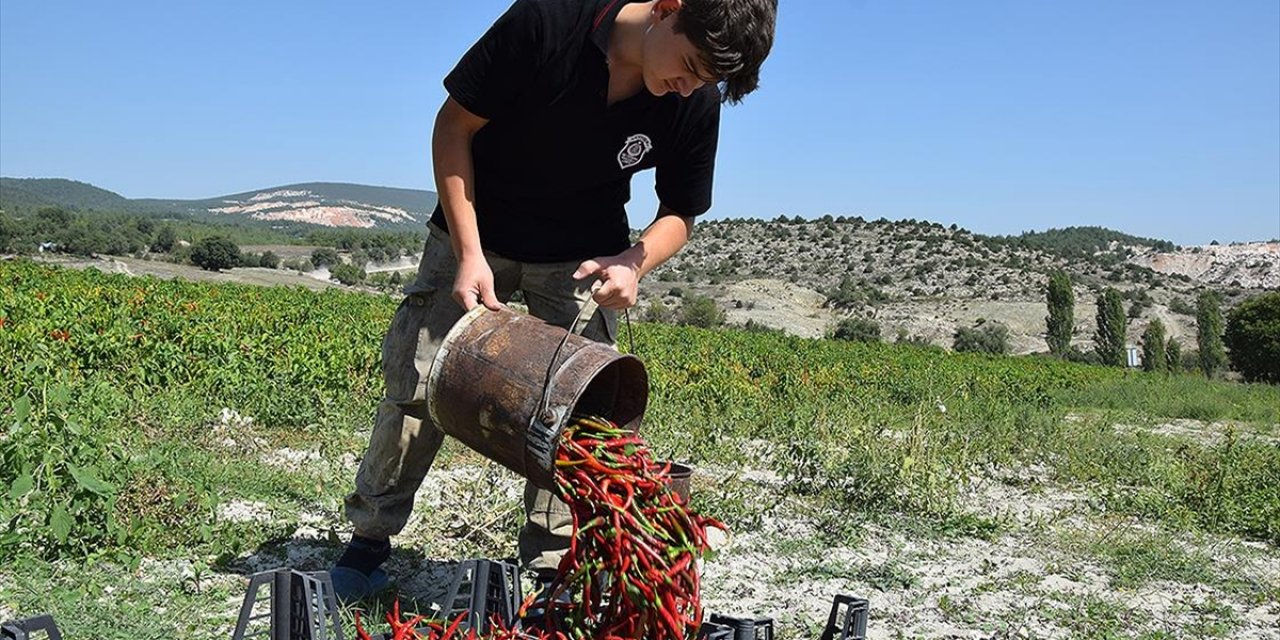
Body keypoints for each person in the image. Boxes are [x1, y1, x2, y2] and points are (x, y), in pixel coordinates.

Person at [331, 0, 777, 605]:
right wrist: (469, 252)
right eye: (691, 66)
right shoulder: (548, 21)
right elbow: (453, 126)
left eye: (707, 81)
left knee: (580, 411)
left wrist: (633, 261)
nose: (689, 87)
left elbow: (680, 213)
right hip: (476, 231)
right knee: (418, 376)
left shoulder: (693, 99)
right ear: (668, 9)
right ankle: (369, 541)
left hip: (581, 257)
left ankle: (551, 566)